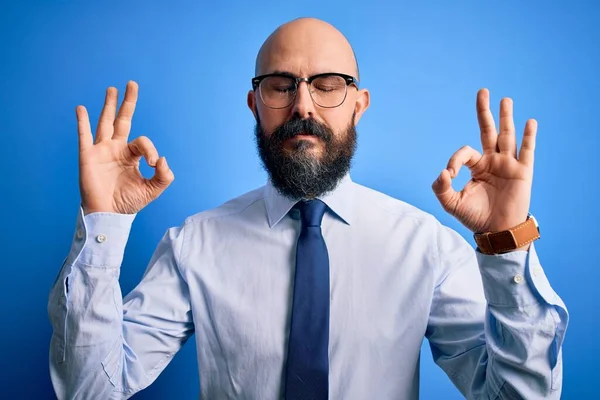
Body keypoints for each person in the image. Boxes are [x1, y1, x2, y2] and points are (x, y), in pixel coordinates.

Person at [47, 17, 568, 400]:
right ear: (255, 105)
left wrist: (507, 243)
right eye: (281, 85)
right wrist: (104, 226)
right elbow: (88, 391)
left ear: (358, 104)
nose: (303, 105)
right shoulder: (194, 246)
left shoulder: (424, 247)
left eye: (327, 85)